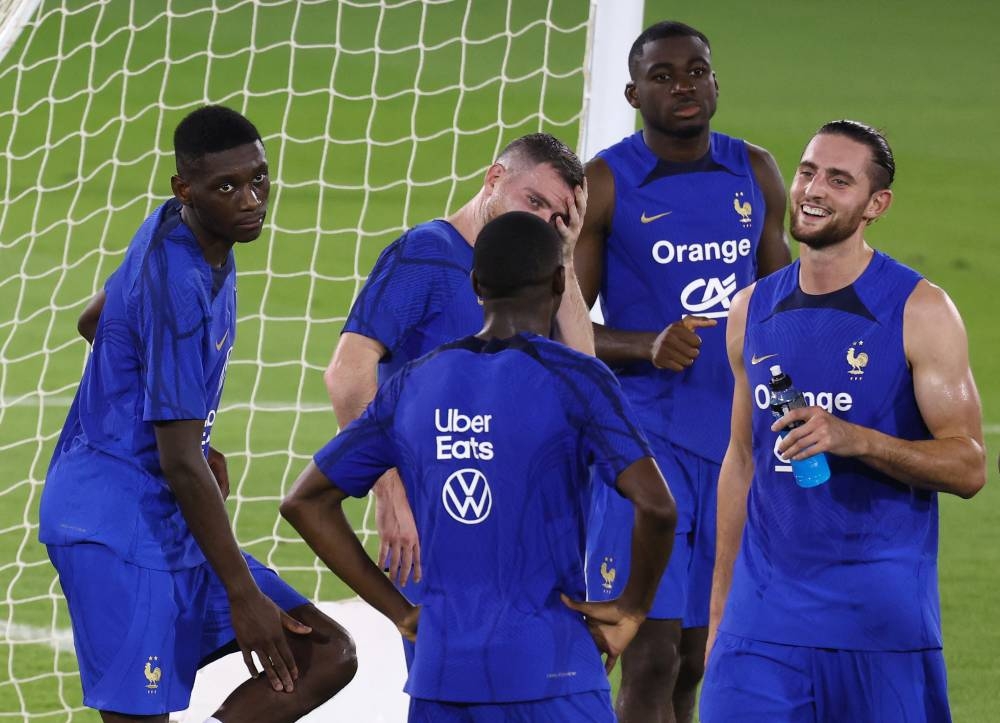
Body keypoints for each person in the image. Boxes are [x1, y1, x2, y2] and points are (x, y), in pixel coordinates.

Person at [282, 210, 676, 722]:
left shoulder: (413, 385)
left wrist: (401, 611)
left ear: (475, 285)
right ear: (559, 281)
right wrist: (630, 610)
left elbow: (303, 502)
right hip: (552, 674)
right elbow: (658, 506)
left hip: (443, 678)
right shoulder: (578, 378)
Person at [39, 106, 357, 722]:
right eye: (227, 187)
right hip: (112, 527)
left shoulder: (181, 229)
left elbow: (94, 322)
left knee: (325, 654)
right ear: (185, 189)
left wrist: (183, 423)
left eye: (259, 179)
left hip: (164, 508)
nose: (251, 200)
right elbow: (178, 460)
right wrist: (242, 593)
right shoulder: (178, 280)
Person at [700, 120, 987, 722]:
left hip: (876, 626)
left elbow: (967, 465)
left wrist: (857, 440)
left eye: (839, 179)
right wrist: (722, 610)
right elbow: (742, 460)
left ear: (875, 204)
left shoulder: (920, 309)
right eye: (807, 171)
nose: (813, 189)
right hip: (761, 626)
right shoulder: (751, 310)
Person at [574, 20, 791, 723]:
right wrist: (646, 345)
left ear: (715, 80)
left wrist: (790, 405)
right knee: (650, 655)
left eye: (696, 70)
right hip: (649, 442)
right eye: (663, 76)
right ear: (634, 92)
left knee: (702, 655)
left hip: (734, 441)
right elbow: (565, 325)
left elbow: (784, 308)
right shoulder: (607, 182)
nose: (683, 86)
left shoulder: (754, 171)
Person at [324, 133, 593, 591]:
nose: (542, 223)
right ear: (494, 180)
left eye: (557, 219)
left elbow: (586, 379)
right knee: (447, 659)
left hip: (528, 522)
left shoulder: (536, 272)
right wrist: (388, 492)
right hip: (440, 520)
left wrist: (563, 258)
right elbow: (347, 373)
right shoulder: (425, 255)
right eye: (533, 202)